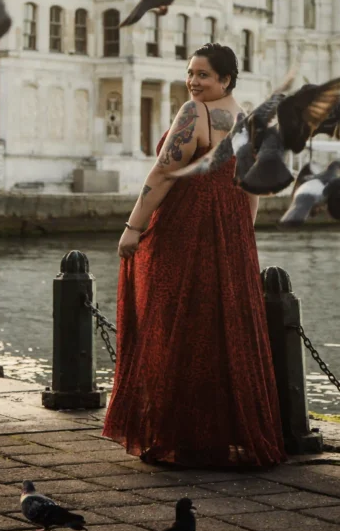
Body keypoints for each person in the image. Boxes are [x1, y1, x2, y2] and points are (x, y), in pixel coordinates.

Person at [102, 42, 286, 469]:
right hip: (232, 234)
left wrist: (133, 227)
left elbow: (164, 172)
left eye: (203, 75)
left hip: (186, 230)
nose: (193, 82)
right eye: (190, 73)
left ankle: (181, 436)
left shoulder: (194, 114)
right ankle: (215, 436)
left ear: (225, 79)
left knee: (175, 323)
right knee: (221, 332)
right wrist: (240, 237)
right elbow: (251, 190)